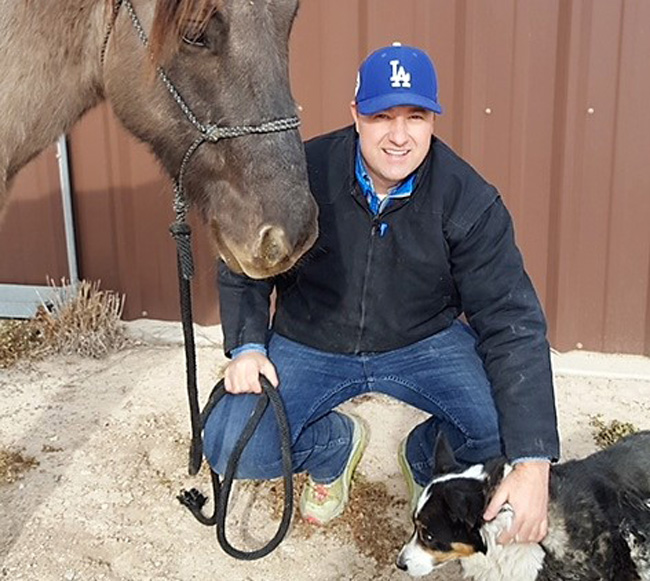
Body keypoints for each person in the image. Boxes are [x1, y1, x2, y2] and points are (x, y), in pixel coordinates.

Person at [204, 42, 560, 544]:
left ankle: (424, 458)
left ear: (433, 119)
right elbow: (243, 261)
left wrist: (534, 462)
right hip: (312, 340)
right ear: (355, 114)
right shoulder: (300, 173)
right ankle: (335, 450)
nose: (399, 136)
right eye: (381, 116)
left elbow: (512, 320)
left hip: (421, 341)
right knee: (230, 443)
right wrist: (247, 344)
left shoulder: (468, 199)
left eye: (415, 116)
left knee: (503, 436)